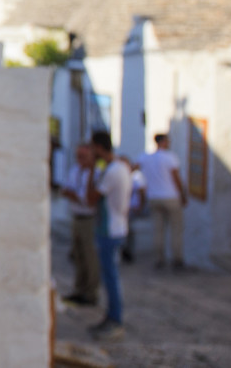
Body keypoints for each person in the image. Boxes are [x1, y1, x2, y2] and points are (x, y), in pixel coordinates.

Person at [85, 130, 131, 340]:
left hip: (110, 230)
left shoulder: (112, 171)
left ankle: (115, 319)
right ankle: (111, 316)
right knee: (110, 276)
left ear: (98, 148)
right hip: (116, 227)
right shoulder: (120, 167)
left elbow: (91, 198)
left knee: (111, 277)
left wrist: (93, 167)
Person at [138, 133, 187, 270]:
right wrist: (183, 194)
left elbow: (134, 166)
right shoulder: (170, 157)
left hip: (154, 197)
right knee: (176, 229)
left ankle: (159, 259)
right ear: (164, 142)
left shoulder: (145, 158)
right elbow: (176, 177)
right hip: (170, 196)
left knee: (158, 230)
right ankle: (177, 259)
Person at [61, 144, 99, 305]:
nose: (80, 160)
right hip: (76, 216)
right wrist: (78, 197)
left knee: (90, 257)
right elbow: (66, 190)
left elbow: (89, 199)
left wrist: (78, 196)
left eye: (83, 156)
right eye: (78, 156)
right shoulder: (75, 170)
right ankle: (79, 288)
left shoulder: (97, 173)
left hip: (90, 219)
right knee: (78, 255)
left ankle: (90, 292)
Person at [120, 156, 146, 263]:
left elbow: (142, 192)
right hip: (122, 208)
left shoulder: (136, 176)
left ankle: (128, 251)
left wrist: (140, 206)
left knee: (129, 230)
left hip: (132, 208)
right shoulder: (120, 176)